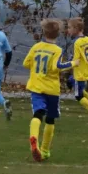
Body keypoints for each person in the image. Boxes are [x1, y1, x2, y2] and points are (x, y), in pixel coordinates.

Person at [23, 19, 78, 162]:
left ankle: (34, 137)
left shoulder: (36, 47)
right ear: (58, 34)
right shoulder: (57, 50)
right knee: (50, 119)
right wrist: (73, 63)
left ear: (43, 32)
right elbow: (57, 67)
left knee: (37, 114)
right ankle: (45, 150)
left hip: (36, 86)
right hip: (52, 89)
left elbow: (26, 63)